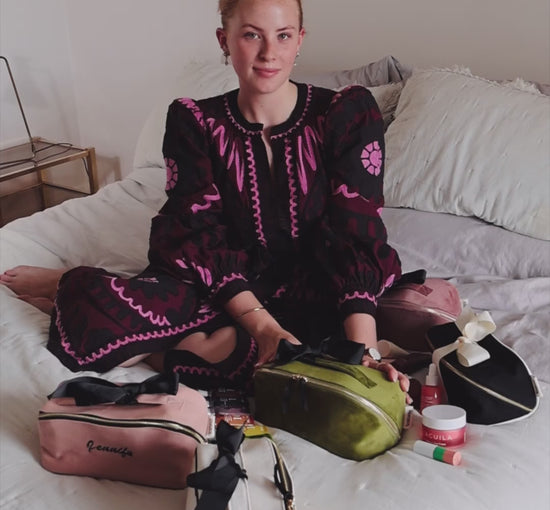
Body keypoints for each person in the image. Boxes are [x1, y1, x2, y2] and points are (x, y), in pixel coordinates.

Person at [0, 0, 409, 399]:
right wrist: (264, 329)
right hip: (220, 281)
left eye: (283, 36)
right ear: (224, 40)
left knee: (311, 359)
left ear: (300, 39)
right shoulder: (194, 120)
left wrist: (365, 356)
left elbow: (355, 232)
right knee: (101, 313)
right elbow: (194, 233)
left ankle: (178, 345)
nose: (269, 53)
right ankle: (69, 286)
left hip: (314, 285)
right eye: (251, 35)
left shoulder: (347, 113)